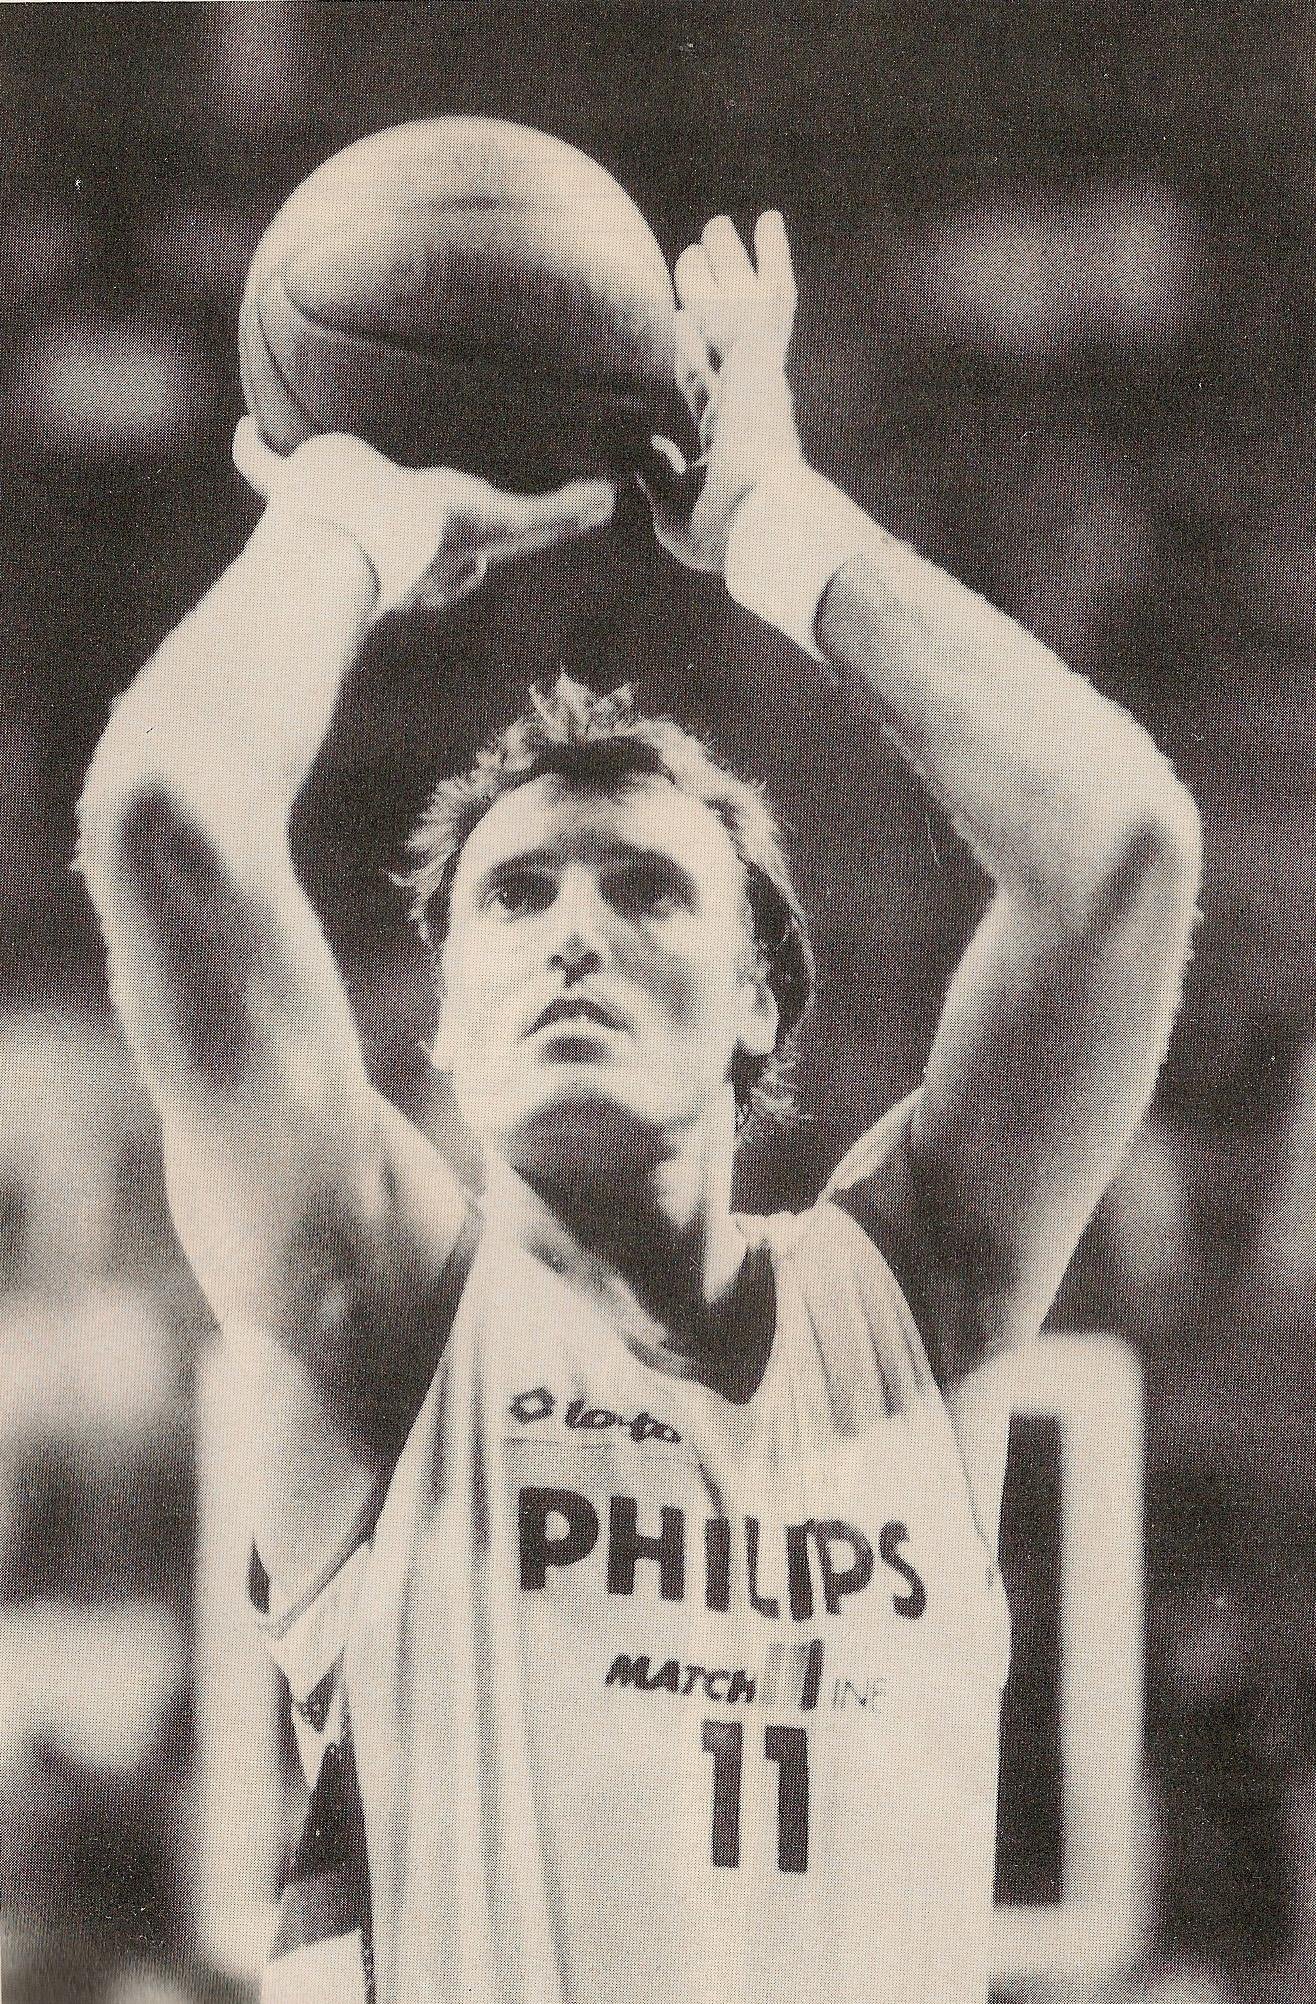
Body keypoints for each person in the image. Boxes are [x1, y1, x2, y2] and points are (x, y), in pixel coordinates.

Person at [78, 212, 1201, 2004]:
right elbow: (166, 826)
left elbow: (1122, 856)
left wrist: (773, 519)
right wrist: (346, 518)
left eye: (646, 887)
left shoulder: (904, 1314)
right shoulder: (392, 1313)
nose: (573, 931)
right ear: (442, 1030)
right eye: (515, 896)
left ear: (759, 997)